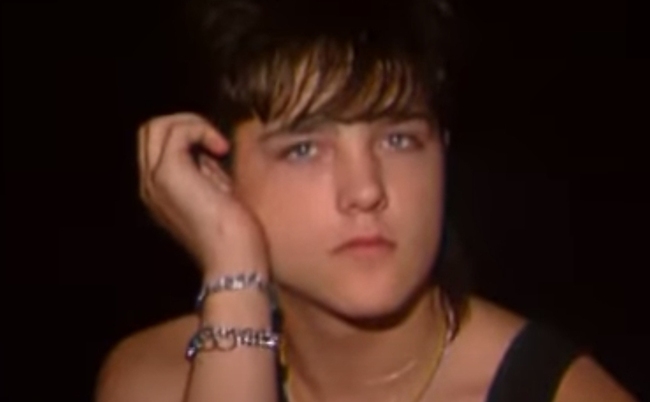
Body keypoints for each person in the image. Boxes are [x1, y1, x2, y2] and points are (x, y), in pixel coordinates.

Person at [95, 0, 637, 401]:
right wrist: (232, 268)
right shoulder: (153, 381)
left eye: (398, 140)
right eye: (304, 149)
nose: (366, 191)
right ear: (216, 177)